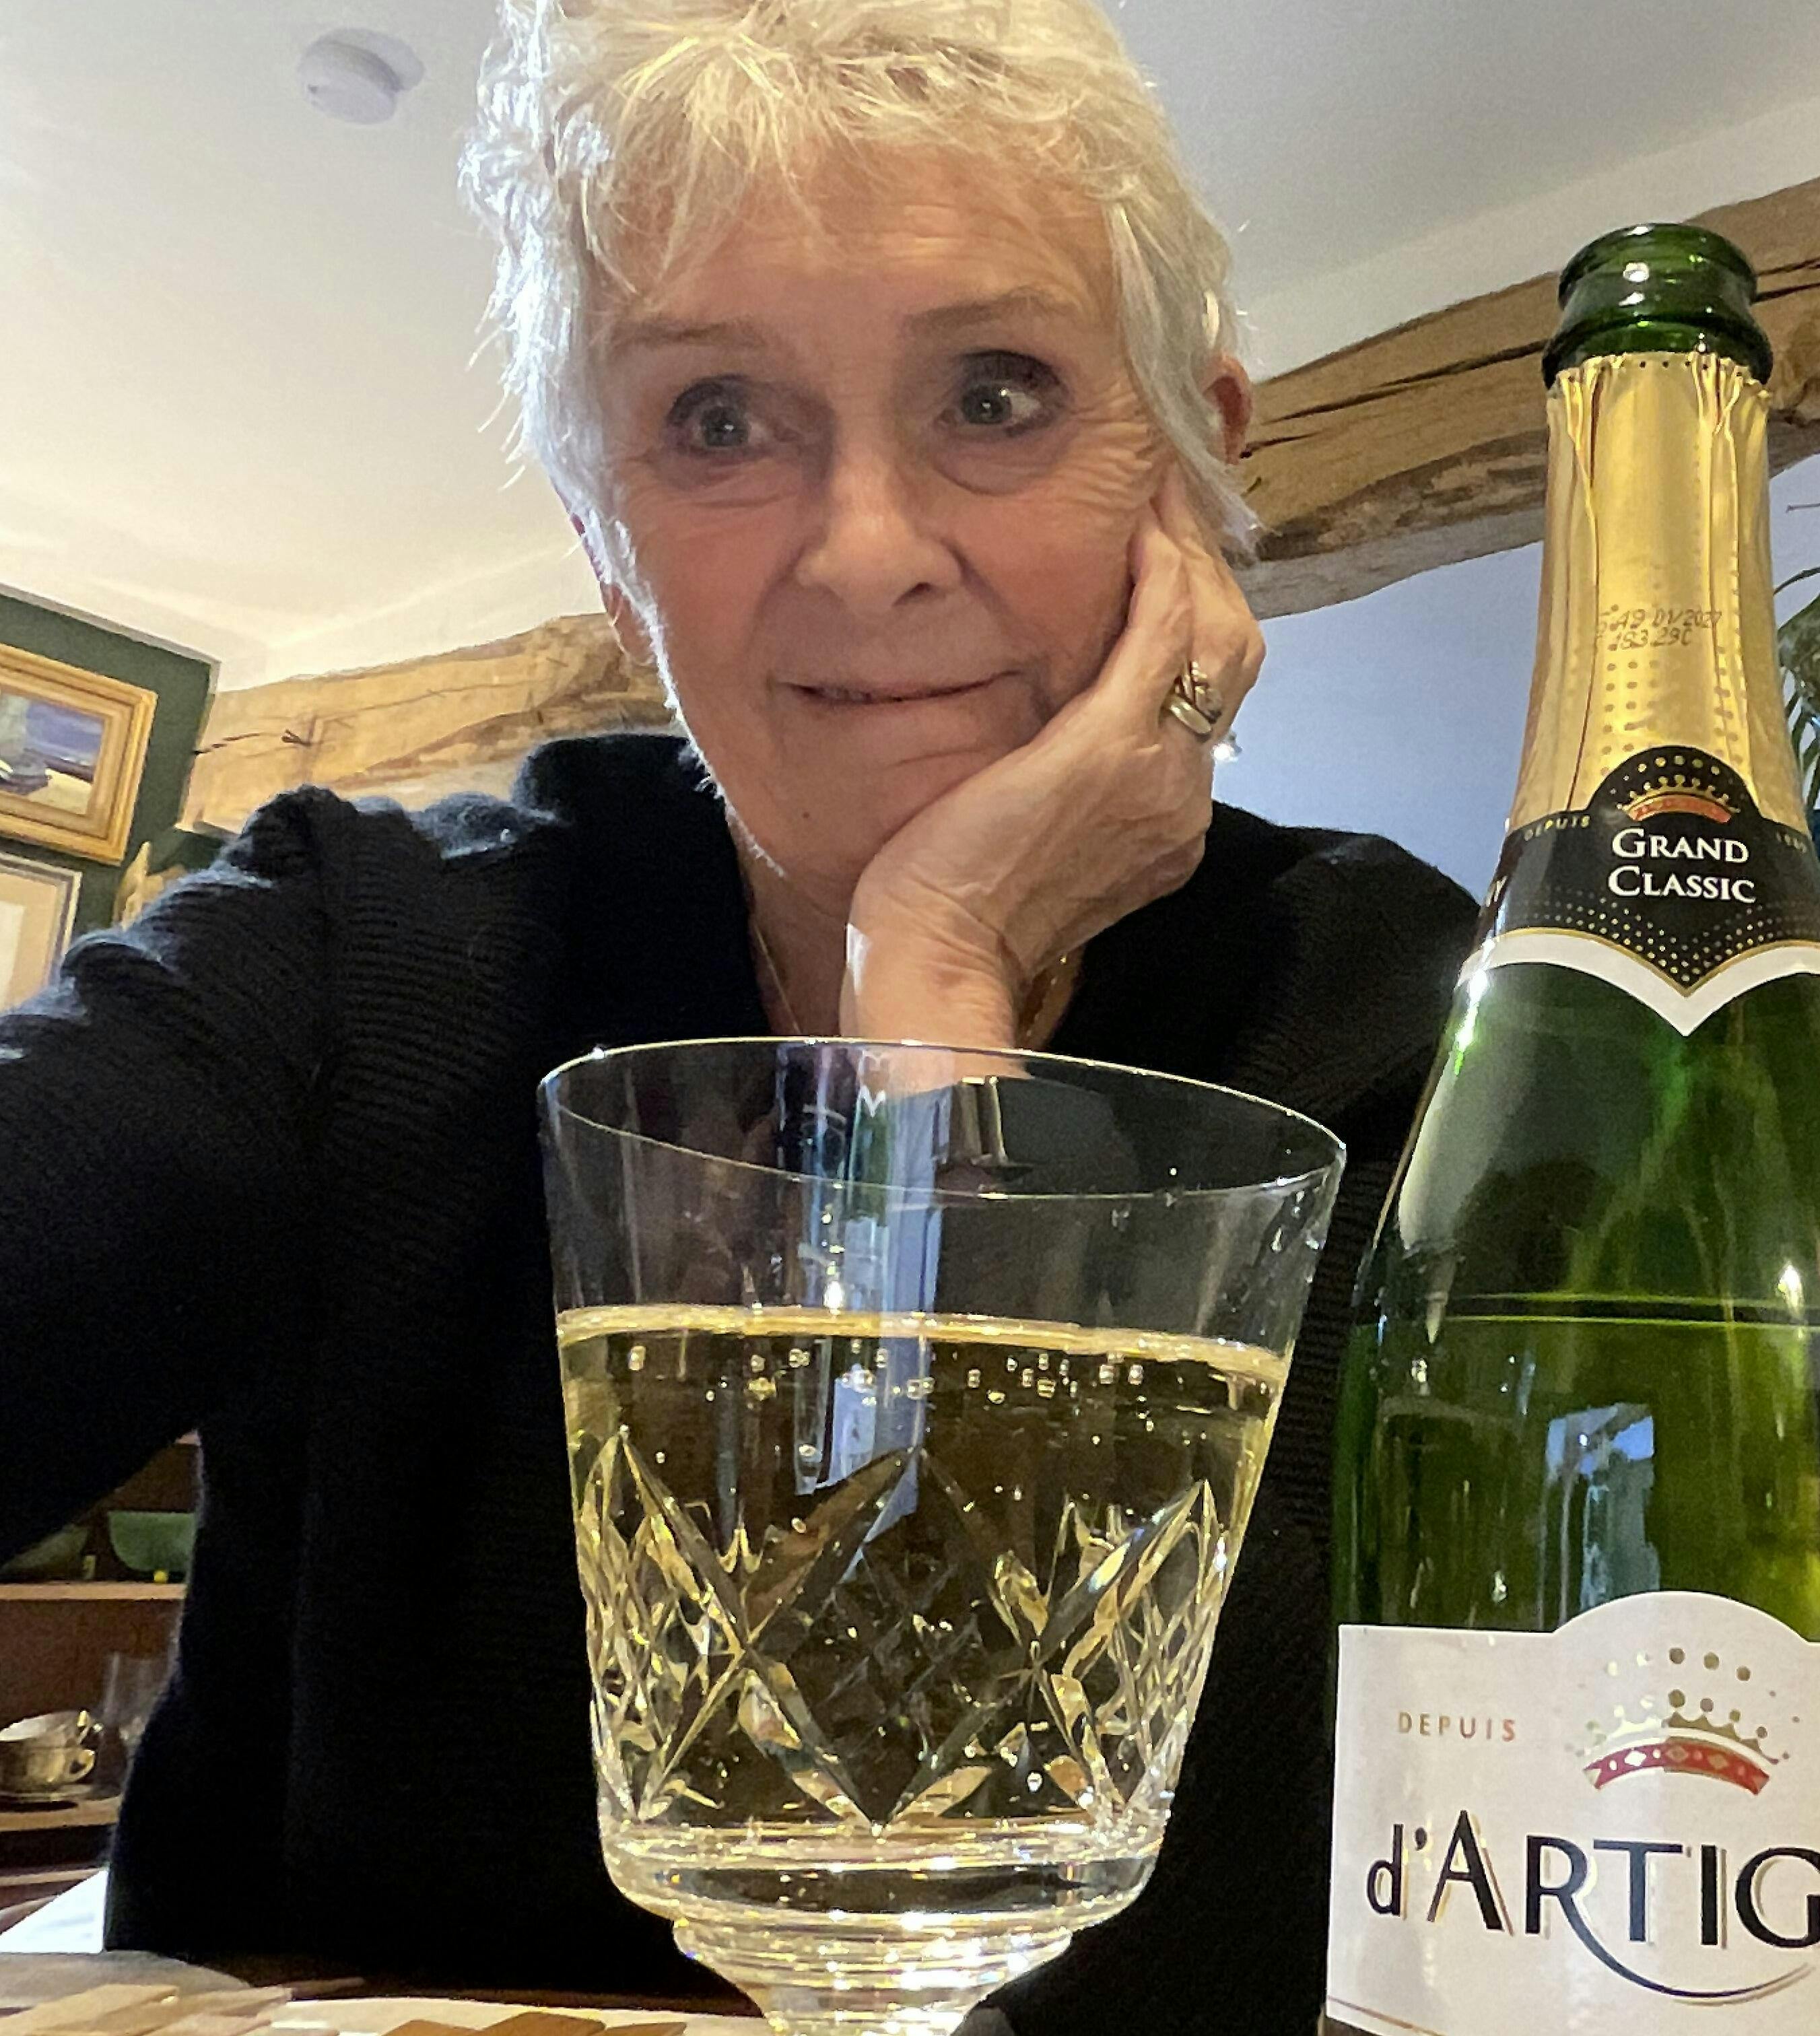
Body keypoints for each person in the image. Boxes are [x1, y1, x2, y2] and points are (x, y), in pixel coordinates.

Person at [0, 3, 1477, 2029]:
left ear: (1196, 464)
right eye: (716, 421)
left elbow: (1121, 1891)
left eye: (998, 392)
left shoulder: (1414, 1024)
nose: (869, 553)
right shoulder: (358, 950)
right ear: (612, 558)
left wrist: (933, 978)